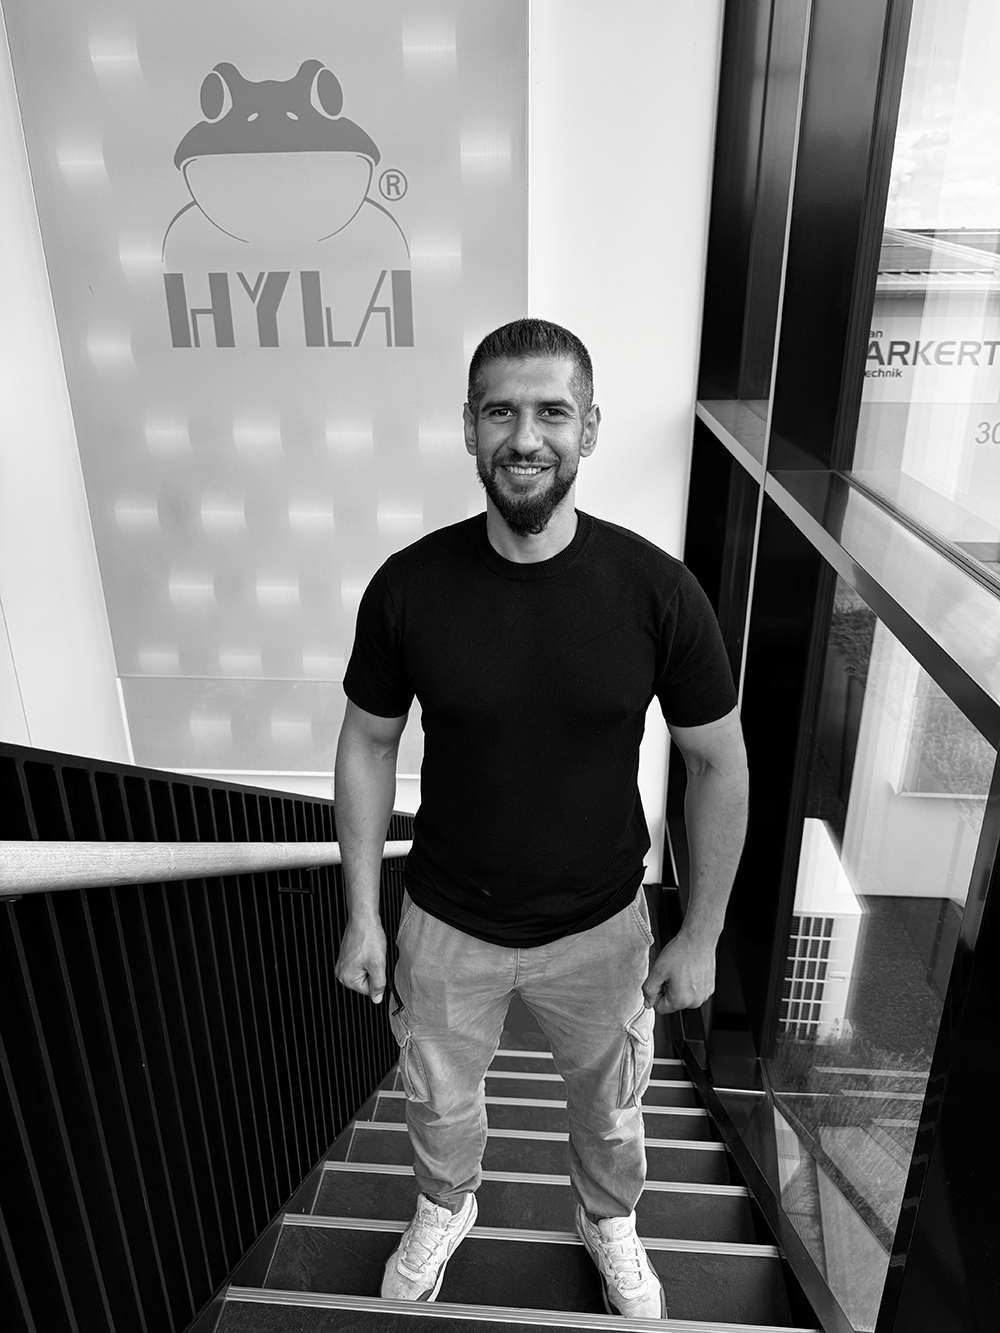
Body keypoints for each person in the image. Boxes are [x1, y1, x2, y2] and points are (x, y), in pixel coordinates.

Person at [334, 318, 748, 1320]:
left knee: (611, 1109)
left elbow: (716, 761)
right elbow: (368, 745)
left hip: (602, 928)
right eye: (501, 412)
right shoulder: (409, 586)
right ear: (469, 429)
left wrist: (701, 933)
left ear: (589, 428)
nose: (526, 437)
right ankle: (446, 1205)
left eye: (552, 412)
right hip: (445, 923)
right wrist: (362, 914)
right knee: (438, 1100)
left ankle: (607, 1219)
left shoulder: (658, 591)